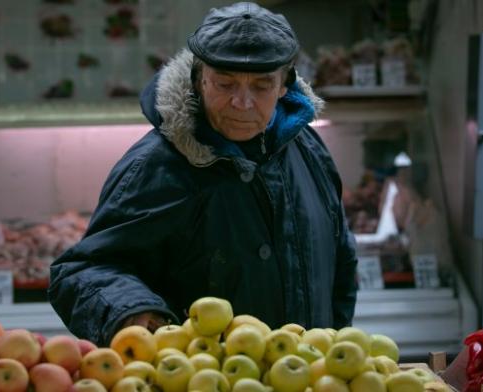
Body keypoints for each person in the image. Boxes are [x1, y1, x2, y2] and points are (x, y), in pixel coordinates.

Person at [48, 1, 358, 345]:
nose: (242, 102)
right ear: (199, 79)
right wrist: (134, 312)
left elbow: (341, 263)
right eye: (225, 84)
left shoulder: (308, 149)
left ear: (285, 84)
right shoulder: (155, 165)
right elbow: (82, 270)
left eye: (261, 86)